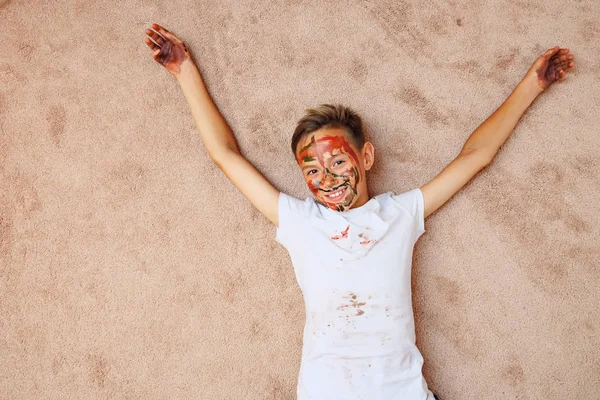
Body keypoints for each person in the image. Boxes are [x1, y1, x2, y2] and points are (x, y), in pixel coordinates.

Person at [144, 23, 575, 400]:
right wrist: (185, 72)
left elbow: (475, 156)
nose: (326, 177)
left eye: (336, 161)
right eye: (310, 168)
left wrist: (532, 84)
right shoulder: (299, 221)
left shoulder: (401, 214)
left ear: (366, 156)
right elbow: (225, 155)